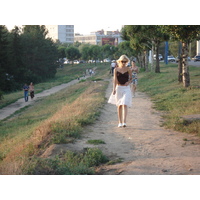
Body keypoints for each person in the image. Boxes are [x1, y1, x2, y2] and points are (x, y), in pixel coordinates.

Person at [108, 55, 132, 128]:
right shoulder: (116, 69)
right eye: (122, 61)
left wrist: (129, 82)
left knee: (124, 103)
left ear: (127, 62)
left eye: (125, 61)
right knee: (119, 105)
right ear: (119, 61)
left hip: (126, 88)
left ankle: (124, 122)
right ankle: (120, 122)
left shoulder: (128, 69)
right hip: (119, 88)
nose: (124, 63)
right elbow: (114, 80)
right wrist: (114, 89)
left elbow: (131, 78)